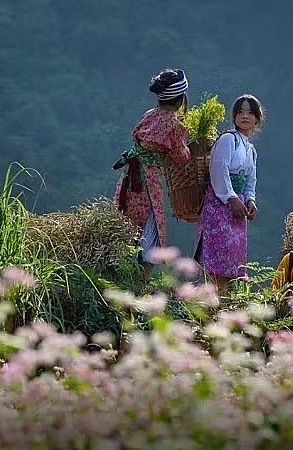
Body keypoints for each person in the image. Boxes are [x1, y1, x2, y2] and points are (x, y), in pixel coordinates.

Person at [113, 68, 191, 279]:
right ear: (180, 100)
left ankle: (124, 281)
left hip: (130, 180)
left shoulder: (149, 115)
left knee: (127, 228)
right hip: (148, 185)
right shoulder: (175, 125)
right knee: (149, 235)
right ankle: (142, 285)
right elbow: (181, 158)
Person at [193, 94, 264, 297]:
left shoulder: (250, 150)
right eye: (240, 111)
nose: (244, 116)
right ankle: (212, 305)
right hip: (219, 206)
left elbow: (251, 180)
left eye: (250, 112)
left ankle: (222, 305)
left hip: (238, 210)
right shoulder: (227, 139)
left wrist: (250, 200)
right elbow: (219, 169)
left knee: (233, 263)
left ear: (257, 119)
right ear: (233, 116)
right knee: (217, 260)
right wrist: (230, 197)